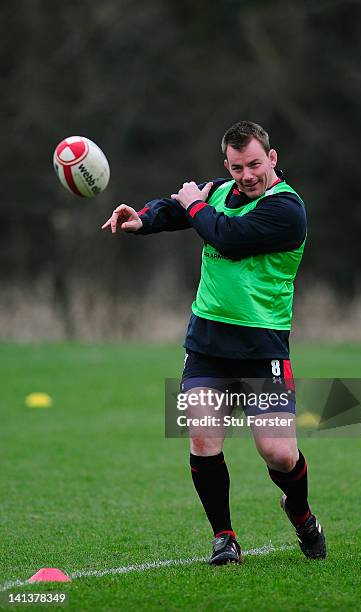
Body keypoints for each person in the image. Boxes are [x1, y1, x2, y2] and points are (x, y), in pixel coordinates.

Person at [102, 120, 326, 563]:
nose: (247, 175)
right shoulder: (220, 192)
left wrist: (194, 205)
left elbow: (229, 237)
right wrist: (141, 219)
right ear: (227, 164)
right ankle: (224, 537)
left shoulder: (287, 210)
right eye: (238, 166)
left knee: (279, 453)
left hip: (263, 349)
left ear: (273, 158)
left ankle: (299, 512)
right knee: (203, 439)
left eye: (255, 164)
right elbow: (173, 207)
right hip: (206, 342)